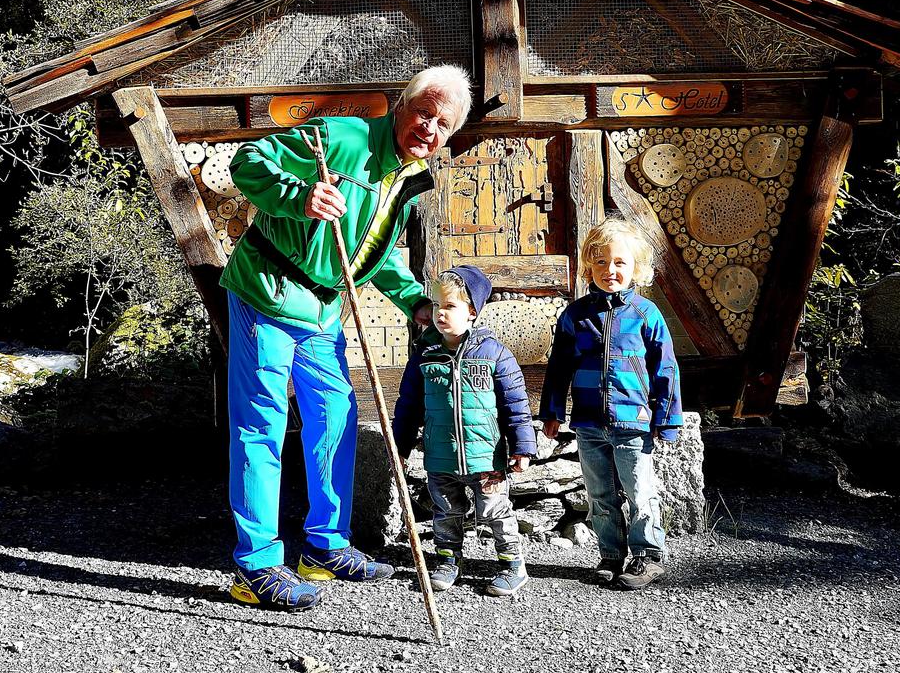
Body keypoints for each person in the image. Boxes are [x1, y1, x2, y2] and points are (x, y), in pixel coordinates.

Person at [220, 65, 473, 611]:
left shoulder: (407, 176)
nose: (429, 127)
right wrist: (300, 196)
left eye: (442, 123)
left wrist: (416, 302)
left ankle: (324, 546)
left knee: (334, 416)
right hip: (267, 291)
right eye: (423, 112)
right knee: (263, 423)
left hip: (322, 308)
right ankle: (257, 564)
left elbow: (369, 252)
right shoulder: (339, 137)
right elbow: (246, 164)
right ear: (400, 107)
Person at [539, 218, 683, 590]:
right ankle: (611, 554)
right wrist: (553, 411)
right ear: (589, 266)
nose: (610, 271)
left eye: (620, 262)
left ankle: (648, 556)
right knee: (600, 494)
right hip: (588, 422)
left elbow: (666, 367)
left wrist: (667, 418)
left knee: (639, 492)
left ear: (637, 268)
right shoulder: (576, 315)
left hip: (632, 422)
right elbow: (558, 367)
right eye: (601, 262)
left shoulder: (646, 315)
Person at [392, 265, 536, 597]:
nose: (440, 313)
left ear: (472, 312)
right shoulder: (425, 356)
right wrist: (401, 444)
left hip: (485, 456)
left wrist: (523, 448)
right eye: (437, 305)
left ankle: (513, 564)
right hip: (441, 455)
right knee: (445, 510)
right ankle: (447, 560)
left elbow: (515, 403)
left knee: (495, 511)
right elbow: (409, 404)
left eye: (450, 307)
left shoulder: (494, 354)